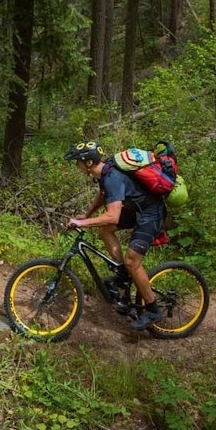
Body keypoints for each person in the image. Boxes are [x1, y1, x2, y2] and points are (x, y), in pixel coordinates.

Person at [63, 140, 166, 330]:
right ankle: (123, 275)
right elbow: (104, 195)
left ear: (88, 163)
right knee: (105, 230)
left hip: (151, 213)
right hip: (136, 210)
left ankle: (153, 310)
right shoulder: (104, 173)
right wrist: (87, 214)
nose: (76, 165)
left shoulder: (112, 177)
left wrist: (82, 223)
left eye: (77, 161)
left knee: (132, 261)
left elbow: (112, 216)